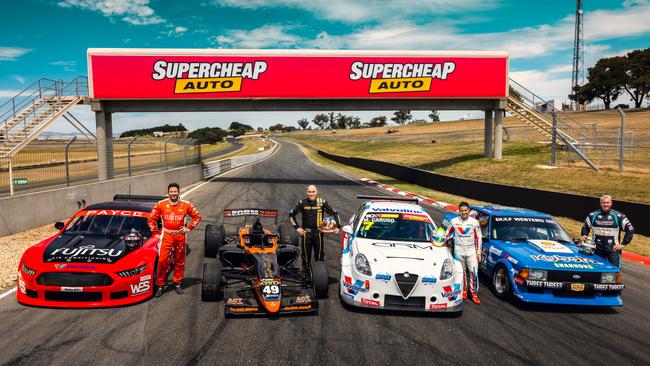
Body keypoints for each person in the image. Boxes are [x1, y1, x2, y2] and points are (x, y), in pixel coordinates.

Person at [148, 183, 202, 297]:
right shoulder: (161, 204)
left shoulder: (186, 204)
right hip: (166, 235)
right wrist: (155, 233)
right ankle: (160, 285)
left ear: (179, 192)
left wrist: (189, 228)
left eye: (175, 191)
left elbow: (197, 216)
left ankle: (177, 283)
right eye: (171, 192)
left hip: (180, 235)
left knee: (179, 261)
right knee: (162, 260)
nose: (173, 193)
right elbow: (151, 219)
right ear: (168, 193)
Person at [289, 185, 341, 273]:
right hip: (306, 233)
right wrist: (297, 227)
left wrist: (338, 227)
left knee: (319, 256)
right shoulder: (302, 203)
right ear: (307, 192)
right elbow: (291, 214)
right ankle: (306, 277)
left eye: (313, 192)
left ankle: (319, 275)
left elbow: (335, 213)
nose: (311, 194)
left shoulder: (322, 202)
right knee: (305, 256)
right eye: (309, 192)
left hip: (319, 233)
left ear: (316, 192)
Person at [581, 195, 634, 269]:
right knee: (596, 269)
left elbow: (630, 229)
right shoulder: (592, 215)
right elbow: (585, 227)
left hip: (613, 249)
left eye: (607, 202)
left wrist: (623, 244)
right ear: (600, 203)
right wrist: (584, 234)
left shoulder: (619, 216)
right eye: (604, 203)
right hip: (597, 248)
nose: (606, 204)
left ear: (611, 203)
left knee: (614, 271)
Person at [445, 202, 482, 304]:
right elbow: (447, 234)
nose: (464, 212)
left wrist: (478, 252)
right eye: (462, 210)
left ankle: (474, 293)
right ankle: (464, 290)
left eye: (465, 210)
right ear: (459, 211)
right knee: (462, 272)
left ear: (469, 210)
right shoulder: (454, 221)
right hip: (458, 251)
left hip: (471, 251)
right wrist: (440, 242)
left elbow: (478, 237)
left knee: (474, 272)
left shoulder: (475, 222)